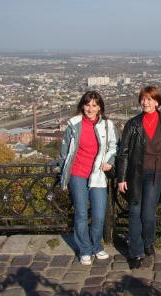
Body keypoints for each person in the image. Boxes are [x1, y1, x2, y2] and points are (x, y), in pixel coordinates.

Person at [116, 85, 161, 269]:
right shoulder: (133, 124)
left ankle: (148, 241)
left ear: (157, 102)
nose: (145, 102)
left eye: (149, 99)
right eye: (143, 99)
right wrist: (121, 177)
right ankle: (136, 251)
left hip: (156, 174)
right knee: (134, 212)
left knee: (148, 214)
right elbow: (124, 152)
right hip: (135, 174)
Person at [59, 91, 118, 265]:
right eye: (87, 104)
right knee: (81, 213)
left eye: (94, 105)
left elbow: (114, 147)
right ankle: (85, 249)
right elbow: (64, 152)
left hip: (98, 174)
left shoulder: (108, 125)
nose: (90, 109)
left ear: (100, 107)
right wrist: (64, 173)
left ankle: (96, 246)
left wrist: (110, 161)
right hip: (77, 174)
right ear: (82, 106)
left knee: (99, 214)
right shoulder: (74, 125)